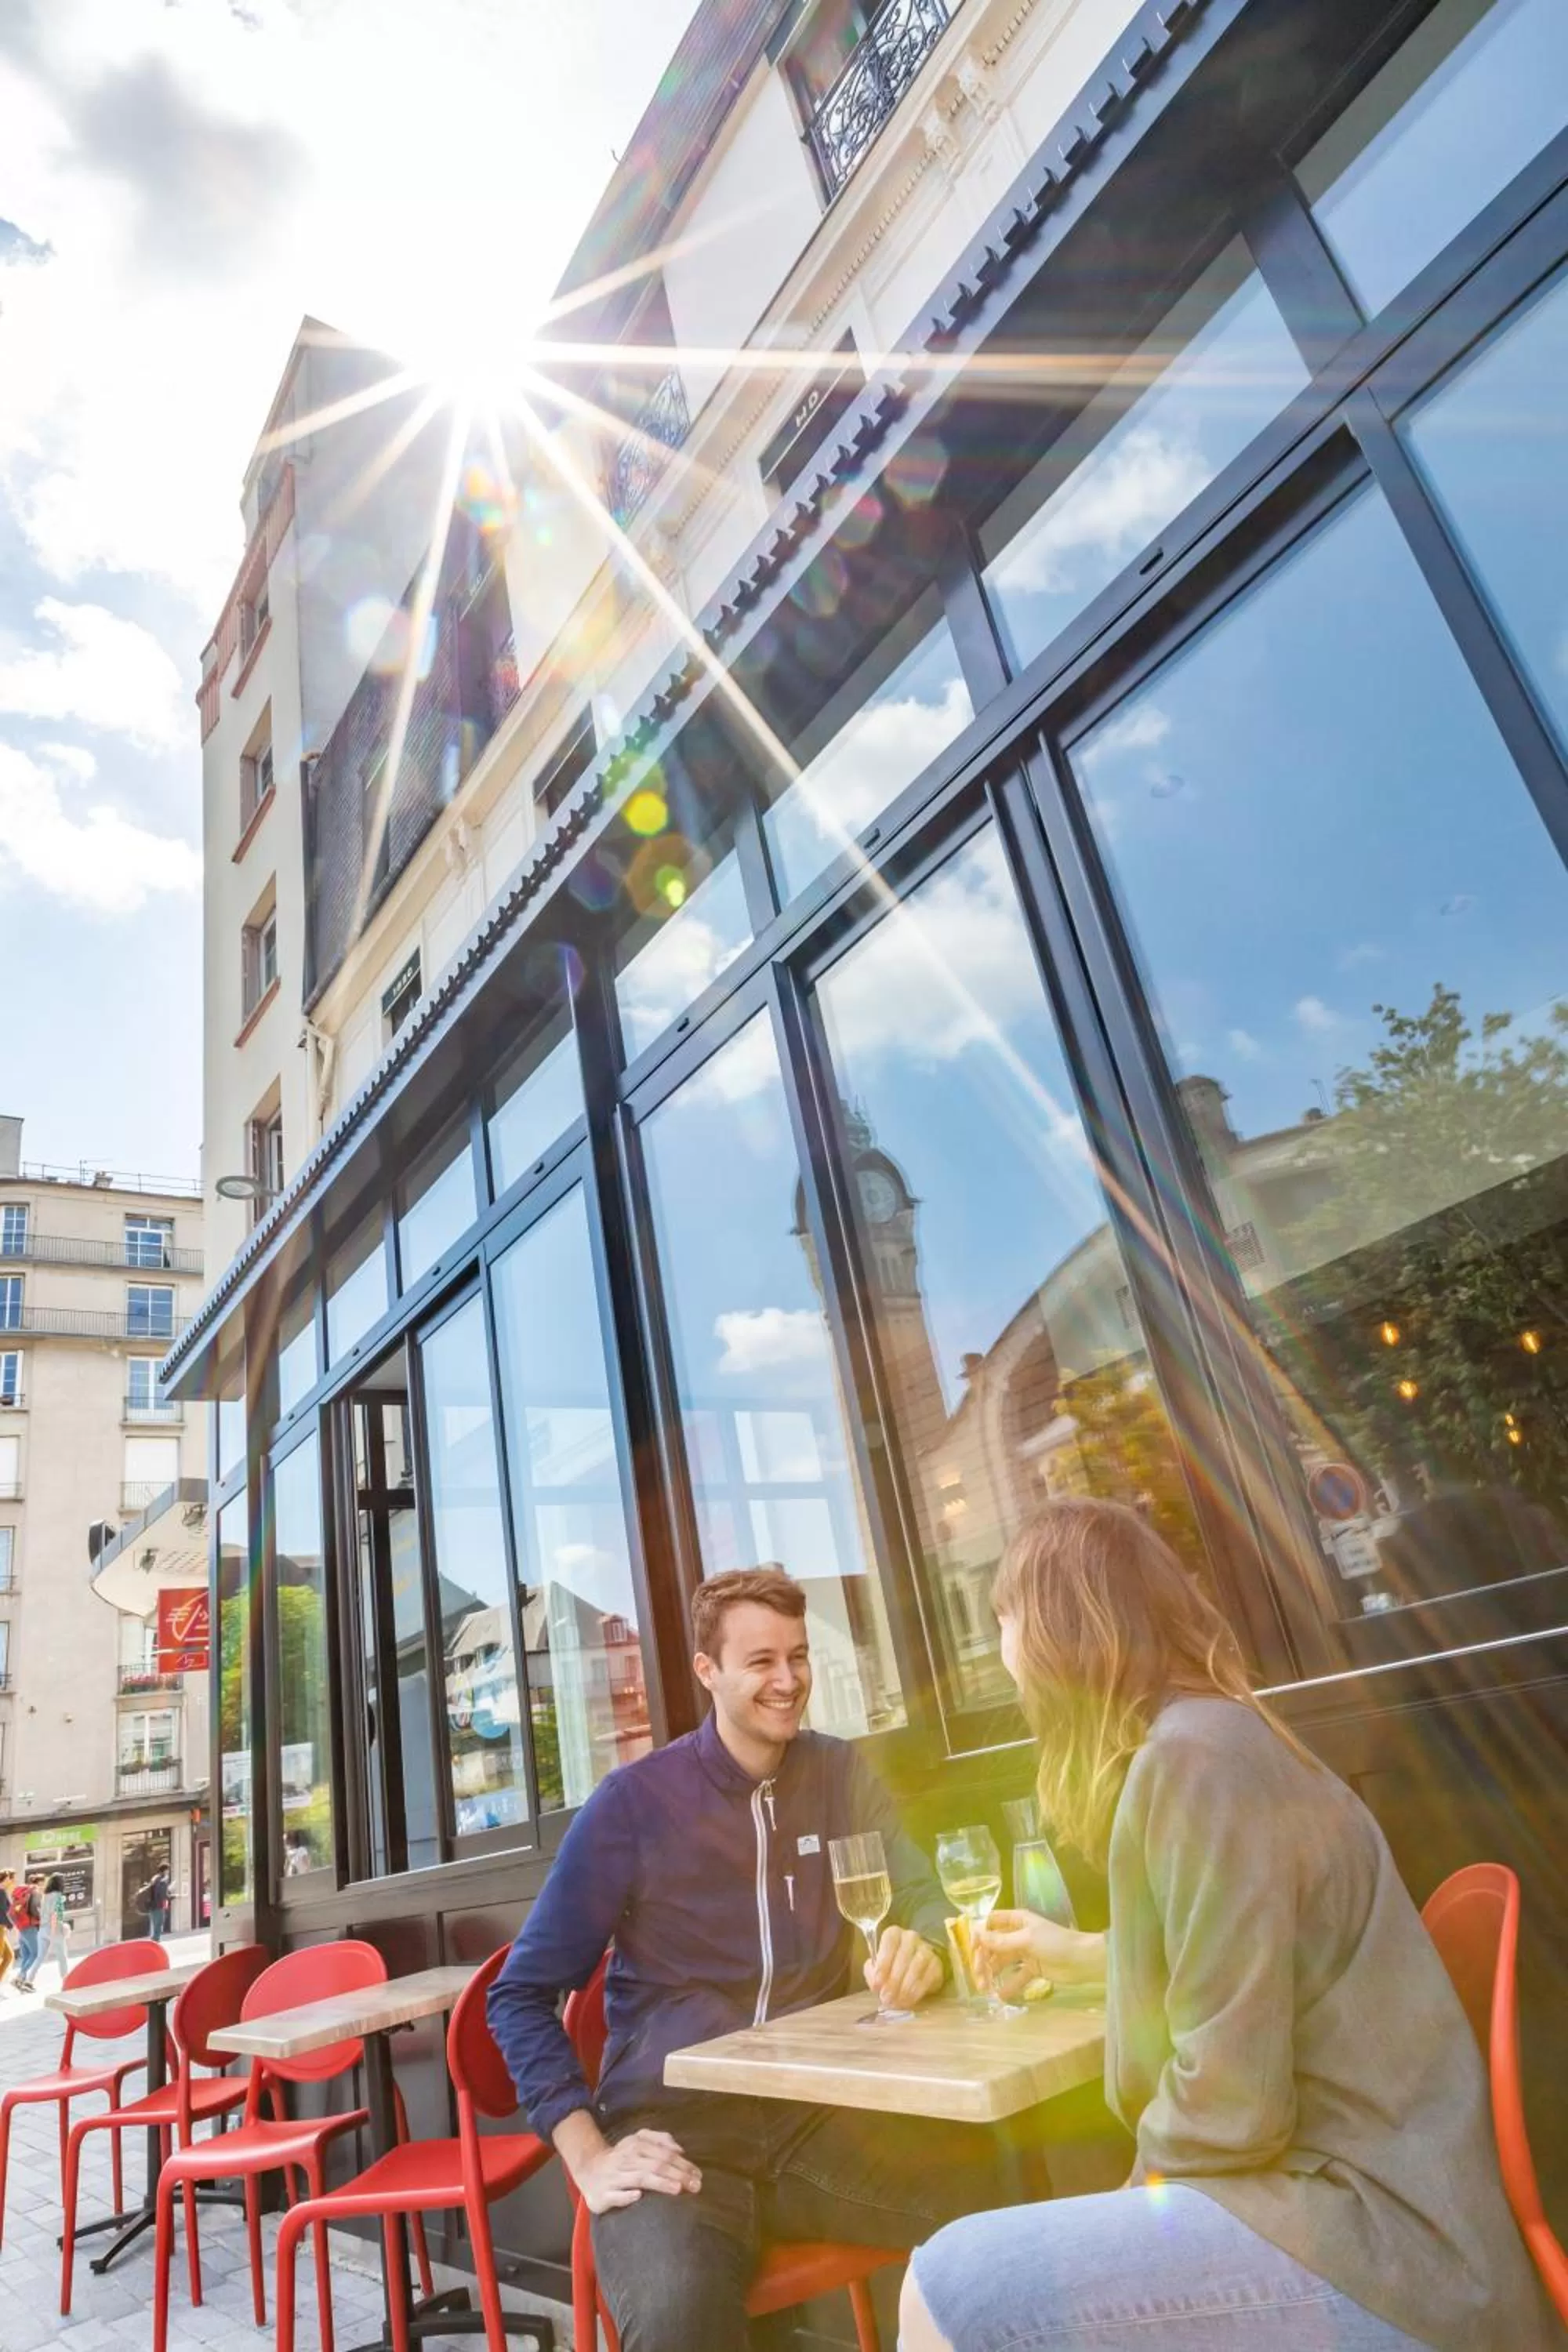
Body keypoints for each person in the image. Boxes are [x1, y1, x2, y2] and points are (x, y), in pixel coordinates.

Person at [901, 1497, 1554, 2352]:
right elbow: (1254, 1961)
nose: (1004, 1654)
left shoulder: (1191, 1760)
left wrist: (1123, 2212)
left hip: (1381, 2249)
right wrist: (1082, 1957)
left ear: (1061, 1633)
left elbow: (1230, 2104)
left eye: (1006, 1622)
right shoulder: (1220, 1737)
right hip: (1388, 2213)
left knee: (947, 2281)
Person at [488, 1565, 1007, 2352]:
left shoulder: (837, 1773)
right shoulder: (633, 1805)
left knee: (1010, 2214)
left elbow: (922, 1900)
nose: (788, 1680)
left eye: (797, 1657)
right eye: (761, 1661)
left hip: (820, 2123)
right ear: (708, 1671)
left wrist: (926, 1948)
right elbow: (518, 1994)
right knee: (674, 2323)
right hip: (676, 2139)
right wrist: (589, 2154)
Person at [35, 1875, 68, 1989]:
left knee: (40, 1957)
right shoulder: (58, 1896)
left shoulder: (45, 1896)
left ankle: (28, 1979)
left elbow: (42, 1912)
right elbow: (55, 1915)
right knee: (62, 1956)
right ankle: (66, 1980)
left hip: (43, 1928)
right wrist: (54, 1932)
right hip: (55, 1928)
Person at [11, 1875, 40, 1992]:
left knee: (27, 1955)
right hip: (29, 1926)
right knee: (35, 1954)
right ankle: (18, 1978)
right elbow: (34, 1910)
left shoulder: (22, 1892)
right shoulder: (34, 1893)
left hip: (21, 1927)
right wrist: (41, 1918)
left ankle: (21, 1981)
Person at [142, 1864, 171, 1943]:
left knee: (154, 1923)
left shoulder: (155, 1878)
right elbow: (162, 1894)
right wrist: (171, 1897)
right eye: (168, 1870)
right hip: (158, 1905)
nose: (168, 1872)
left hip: (152, 1905)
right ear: (165, 1870)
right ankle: (156, 1939)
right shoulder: (162, 1879)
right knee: (159, 1922)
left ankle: (153, 1939)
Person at [0, 1871, 15, 1993]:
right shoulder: (1, 1892)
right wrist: (10, 1924)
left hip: (2, 1928)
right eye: (11, 1879)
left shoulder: (3, 1892)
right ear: (5, 1879)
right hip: (0, 1927)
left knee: (8, 1956)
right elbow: (3, 1912)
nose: (12, 1881)